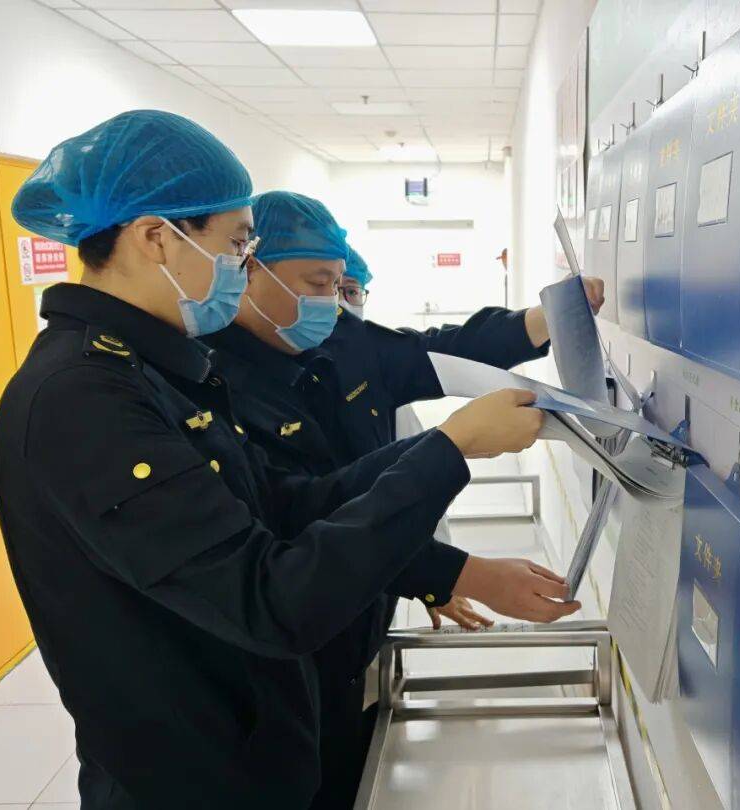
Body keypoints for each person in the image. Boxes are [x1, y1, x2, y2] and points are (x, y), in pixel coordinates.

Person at [0, 110, 577, 810]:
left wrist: (447, 448)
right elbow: (269, 601)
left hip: (256, 746)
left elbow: (285, 505)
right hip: (190, 781)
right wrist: (449, 451)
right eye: (237, 244)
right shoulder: (84, 399)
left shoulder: (161, 371)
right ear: (156, 238)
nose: (242, 266)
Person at [202, 189, 603, 807]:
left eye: (341, 285)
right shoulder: (214, 387)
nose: (331, 302)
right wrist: (454, 569)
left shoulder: (344, 339)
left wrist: (540, 322)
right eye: (316, 283)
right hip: (283, 650)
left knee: (353, 761)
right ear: (250, 269)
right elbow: (310, 516)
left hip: (361, 615)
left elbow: (437, 352)